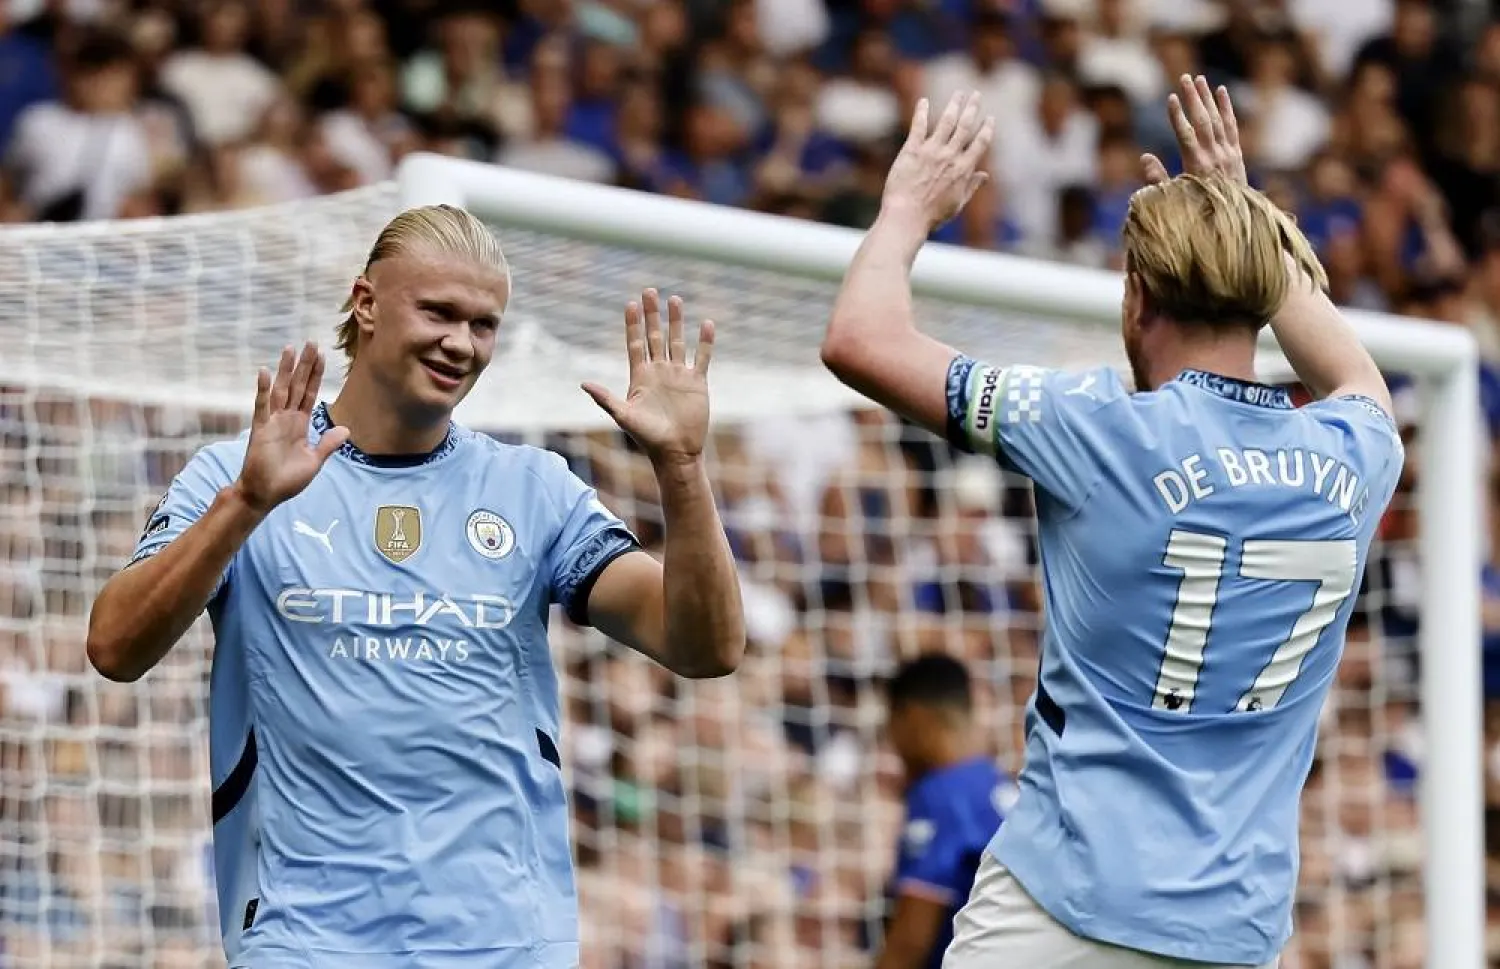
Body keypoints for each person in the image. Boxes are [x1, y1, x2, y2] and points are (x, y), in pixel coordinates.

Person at [821, 78, 1401, 969]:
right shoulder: (1357, 453)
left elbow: (860, 338)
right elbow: (1355, 371)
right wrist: (1243, 220)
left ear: (1136, 300)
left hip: (1061, 907)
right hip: (1231, 932)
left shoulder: (1098, 427)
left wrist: (906, 209)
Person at [85, 204, 746, 969]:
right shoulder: (237, 475)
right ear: (365, 302)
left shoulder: (534, 488)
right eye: (439, 312)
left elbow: (705, 646)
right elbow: (113, 645)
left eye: (483, 324)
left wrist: (683, 470)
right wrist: (248, 504)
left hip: (503, 940)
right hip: (306, 938)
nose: (461, 343)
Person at [876, 652, 1012, 969]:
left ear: (913, 718)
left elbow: (911, 938)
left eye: (891, 723)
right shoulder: (997, 784)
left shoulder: (941, 796)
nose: (892, 741)